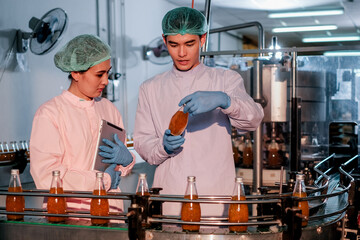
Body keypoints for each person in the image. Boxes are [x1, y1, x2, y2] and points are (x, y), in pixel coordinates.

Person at [133, 7, 264, 217]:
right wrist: (162, 146)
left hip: (215, 198)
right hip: (170, 198)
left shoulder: (225, 80)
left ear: (203, 39)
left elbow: (253, 119)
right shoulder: (150, 88)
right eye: (174, 45)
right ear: (164, 41)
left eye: (189, 44)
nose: (182, 53)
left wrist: (225, 100)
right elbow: (143, 143)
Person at [30, 34, 135, 214]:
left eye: (107, 72)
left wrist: (127, 160)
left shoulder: (109, 109)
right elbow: (47, 177)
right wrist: (102, 180)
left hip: (110, 209)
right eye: (99, 74)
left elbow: (118, 167)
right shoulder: (50, 113)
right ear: (76, 73)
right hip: (69, 214)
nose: (106, 81)